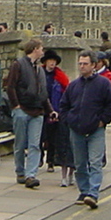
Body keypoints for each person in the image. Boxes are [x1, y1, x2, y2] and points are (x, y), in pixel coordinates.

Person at [59, 50, 111, 209]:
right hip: (76, 130)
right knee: (79, 164)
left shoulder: (103, 84)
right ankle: (84, 191)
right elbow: (64, 105)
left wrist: (102, 121)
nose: (82, 67)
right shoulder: (73, 86)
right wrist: (69, 121)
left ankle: (93, 193)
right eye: (80, 63)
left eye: (85, 64)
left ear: (93, 65)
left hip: (95, 130)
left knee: (95, 162)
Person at [5, 37, 50, 188]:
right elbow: (10, 87)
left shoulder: (39, 68)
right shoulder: (18, 65)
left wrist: (50, 110)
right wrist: (16, 106)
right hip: (22, 110)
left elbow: (43, 93)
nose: (43, 51)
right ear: (35, 49)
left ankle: (31, 175)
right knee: (20, 144)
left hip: (37, 112)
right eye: (41, 48)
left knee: (35, 145)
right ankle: (20, 171)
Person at [42, 50, 73, 186]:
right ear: (46, 61)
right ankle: (39, 158)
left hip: (55, 110)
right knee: (41, 136)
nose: (52, 63)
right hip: (41, 109)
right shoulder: (40, 73)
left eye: (54, 61)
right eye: (50, 60)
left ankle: (51, 161)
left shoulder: (60, 76)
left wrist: (59, 111)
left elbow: (65, 94)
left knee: (53, 137)